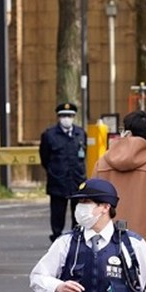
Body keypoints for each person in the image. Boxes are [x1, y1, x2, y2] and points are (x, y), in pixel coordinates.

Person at [93, 110, 146, 263]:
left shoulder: (102, 163)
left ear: (127, 133)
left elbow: (89, 209)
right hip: (143, 251)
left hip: (104, 248)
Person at [39, 102, 87, 242]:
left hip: (77, 179)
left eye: (70, 116)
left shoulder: (80, 133)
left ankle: (76, 237)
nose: (67, 118)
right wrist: (54, 171)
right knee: (57, 212)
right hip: (58, 180)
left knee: (78, 212)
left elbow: (84, 155)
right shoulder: (49, 135)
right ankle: (57, 236)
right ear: (59, 117)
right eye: (64, 116)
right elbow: (44, 157)